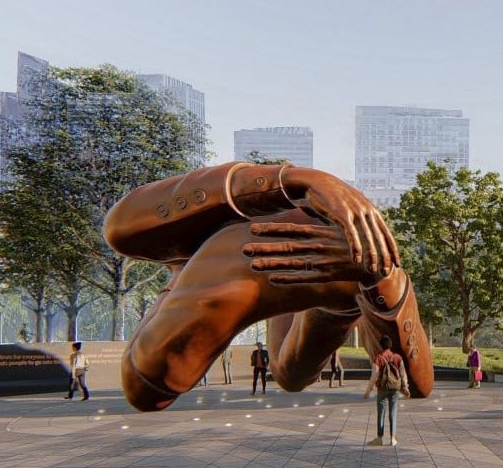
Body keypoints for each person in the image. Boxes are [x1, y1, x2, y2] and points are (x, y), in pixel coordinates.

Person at [102, 161, 434, 413]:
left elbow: (419, 384)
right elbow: (418, 385)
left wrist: (292, 180)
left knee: (149, 383)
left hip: (299, 266)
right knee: (289, 373)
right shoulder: (356, 252)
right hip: (303, 265)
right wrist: (379, 278)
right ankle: (208, 274)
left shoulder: (354, 252)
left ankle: (212, 274)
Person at [363, 334, 410, 446]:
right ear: (390, 345)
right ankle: (392, 438)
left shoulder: (378, 358)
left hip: (382, 389)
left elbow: (374, 376)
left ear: (381, 345)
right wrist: (406, 387)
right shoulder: (397, 357)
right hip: (394, 389)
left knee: (381, 413)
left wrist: (368, 391)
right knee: (393, 413)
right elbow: (403, 374)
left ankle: (379, 438)